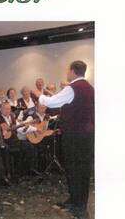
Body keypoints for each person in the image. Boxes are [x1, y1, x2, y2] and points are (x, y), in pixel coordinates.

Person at [33, 60, 94, 219]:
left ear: (73, 71)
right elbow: (67, 101)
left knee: (74, 169)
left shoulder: (72, 88)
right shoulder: (89, 88)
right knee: (82, 170)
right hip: (86, 135)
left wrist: (40, 96)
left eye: (68, 70)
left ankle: (78, 206)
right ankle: (76, 200)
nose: (67, 72)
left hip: (74, 135)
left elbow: (52, 102)